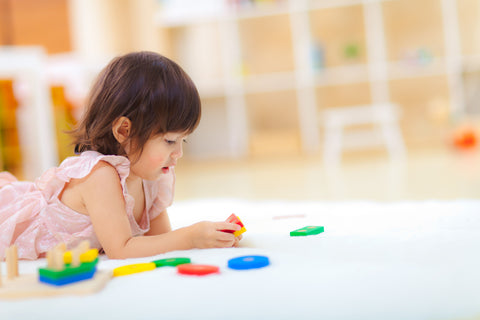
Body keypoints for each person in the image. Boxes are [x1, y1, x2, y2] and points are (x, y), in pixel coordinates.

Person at [0, 51, 242, 260]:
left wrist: (209, 237)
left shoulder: (150, 178)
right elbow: (121, 250)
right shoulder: (100, 175)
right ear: (124, 131)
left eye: (183, 140)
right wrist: (191, 236)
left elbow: (162, 242)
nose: (178, 153)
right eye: (169, 141)